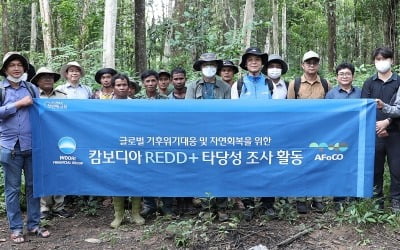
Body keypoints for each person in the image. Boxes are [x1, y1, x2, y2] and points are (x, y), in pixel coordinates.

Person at [0, 52, 50, 243]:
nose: (16, 68)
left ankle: (34, 224)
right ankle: (15, 229)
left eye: (20, 65)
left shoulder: (31, 88)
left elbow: (40, 115)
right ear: (5, 69)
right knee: (12, 189)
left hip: (32, 145)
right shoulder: (1, 90)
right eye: (12, 65)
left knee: (33, 187)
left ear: (24, 69)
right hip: (9, 147)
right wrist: (18, 104)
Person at [185, 52, 230, 221]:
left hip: (220, 135)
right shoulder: (192, 86)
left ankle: (222, 207)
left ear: (216, 67)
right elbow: (188, 112)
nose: (209, 68)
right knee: (203, 170)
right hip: (200, 135)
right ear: (201, 68)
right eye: (205, 65)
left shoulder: (225, 87)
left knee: (221, 170)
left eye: (212, 65)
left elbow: (228, 113)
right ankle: (206, 207)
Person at [287, 50, 331, 214]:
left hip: (320, 132)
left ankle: (317, 198)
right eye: (308, 62)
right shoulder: (295, 83)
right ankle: (300, 199)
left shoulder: (325, 84)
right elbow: (289, 109)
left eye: (314, 62)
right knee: (301, 163)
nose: (311, 65)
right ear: (302, 65)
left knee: (318, 163)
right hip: (300, 131)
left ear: (318, 65)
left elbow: (330, 109)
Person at [30, 67, 73, 219]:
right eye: (43, 77)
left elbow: (69, 117)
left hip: (59, 140)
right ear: (37, 81)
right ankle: (44, 208)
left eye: (50, 77)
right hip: (39, 139)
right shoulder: (33, 97)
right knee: (42, 172)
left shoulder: (63, 96)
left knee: (59, 170)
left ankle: (59, 206)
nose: (48, 79)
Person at [362, 47, 400, 212]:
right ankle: (377, 201)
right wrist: (377, 127)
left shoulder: (399, 81)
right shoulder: (369, 83)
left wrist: (387, 123)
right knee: (375, 169)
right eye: (377, 59)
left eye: (384, 59)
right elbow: (363, 108)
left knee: (397, 169)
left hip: (396, 133)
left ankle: (396, 201)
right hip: (374, 133)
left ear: (392, 60)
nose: (381, 62)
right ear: (374, 62)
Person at [109, 74, 145, 227]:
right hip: (114, 147)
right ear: (113, 87)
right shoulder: (104, 105)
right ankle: (118, 215)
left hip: (134, 146)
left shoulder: (136, 105)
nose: (122, 88)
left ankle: (135, 213)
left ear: (129, 87)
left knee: (135, 178)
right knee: (116, 180)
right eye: (118, 85)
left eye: (124, 85)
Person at [325, 62, 361, 211]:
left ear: (353, 76)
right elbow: (326, 115)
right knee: (338, 166)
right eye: (341, 74)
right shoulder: (331, 94)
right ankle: (338, 199)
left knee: (354, 166)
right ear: (337, 77)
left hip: (356, 136)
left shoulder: (361, 92)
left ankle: (353, 197)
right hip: (337, 136)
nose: (345, 76)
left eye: (348, 74)